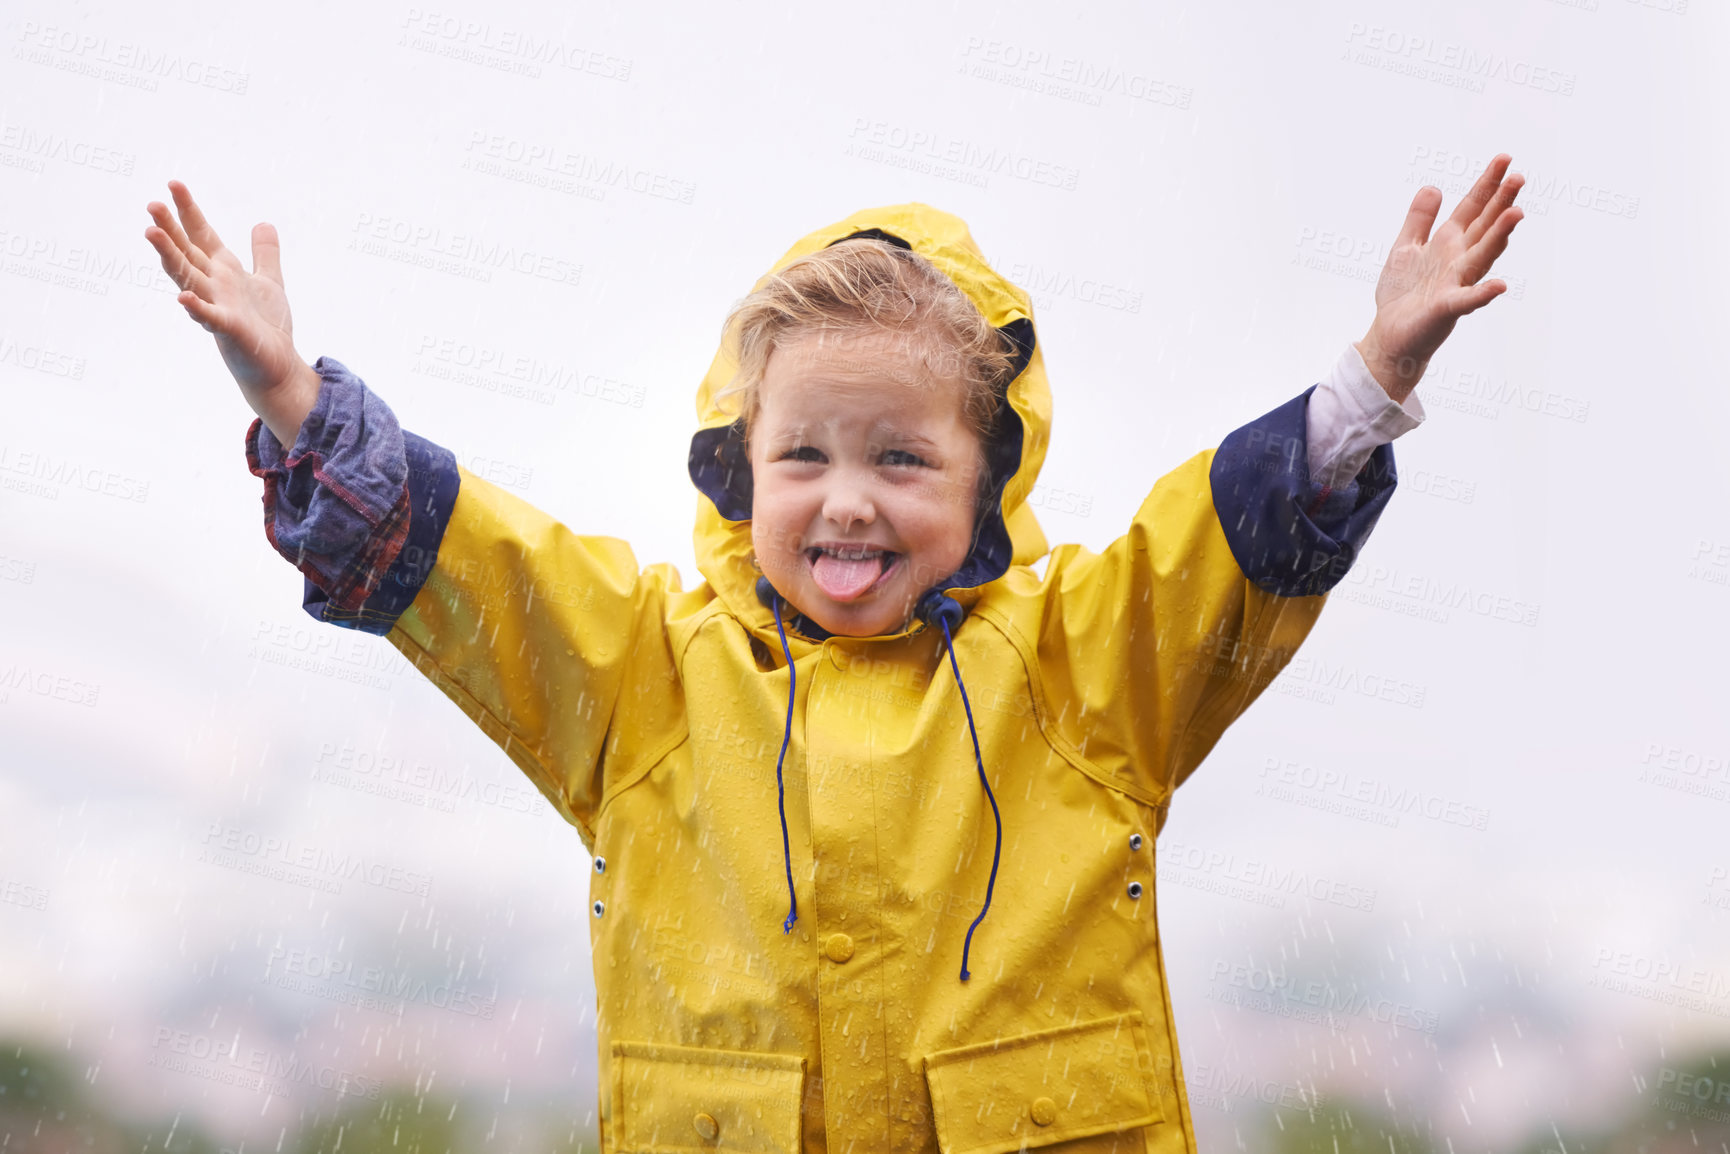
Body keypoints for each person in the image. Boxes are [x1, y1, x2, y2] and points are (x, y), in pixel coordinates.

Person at [144, 162, 1523, 1153]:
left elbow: (1225, 539)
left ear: (987, 483)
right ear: (741, 471)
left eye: (902, 457)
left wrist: (1374, 375)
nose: (847, 497)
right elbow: (469, 557)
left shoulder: (1079, 668)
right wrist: (294, 400)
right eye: (802, 452)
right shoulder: (645, 677)